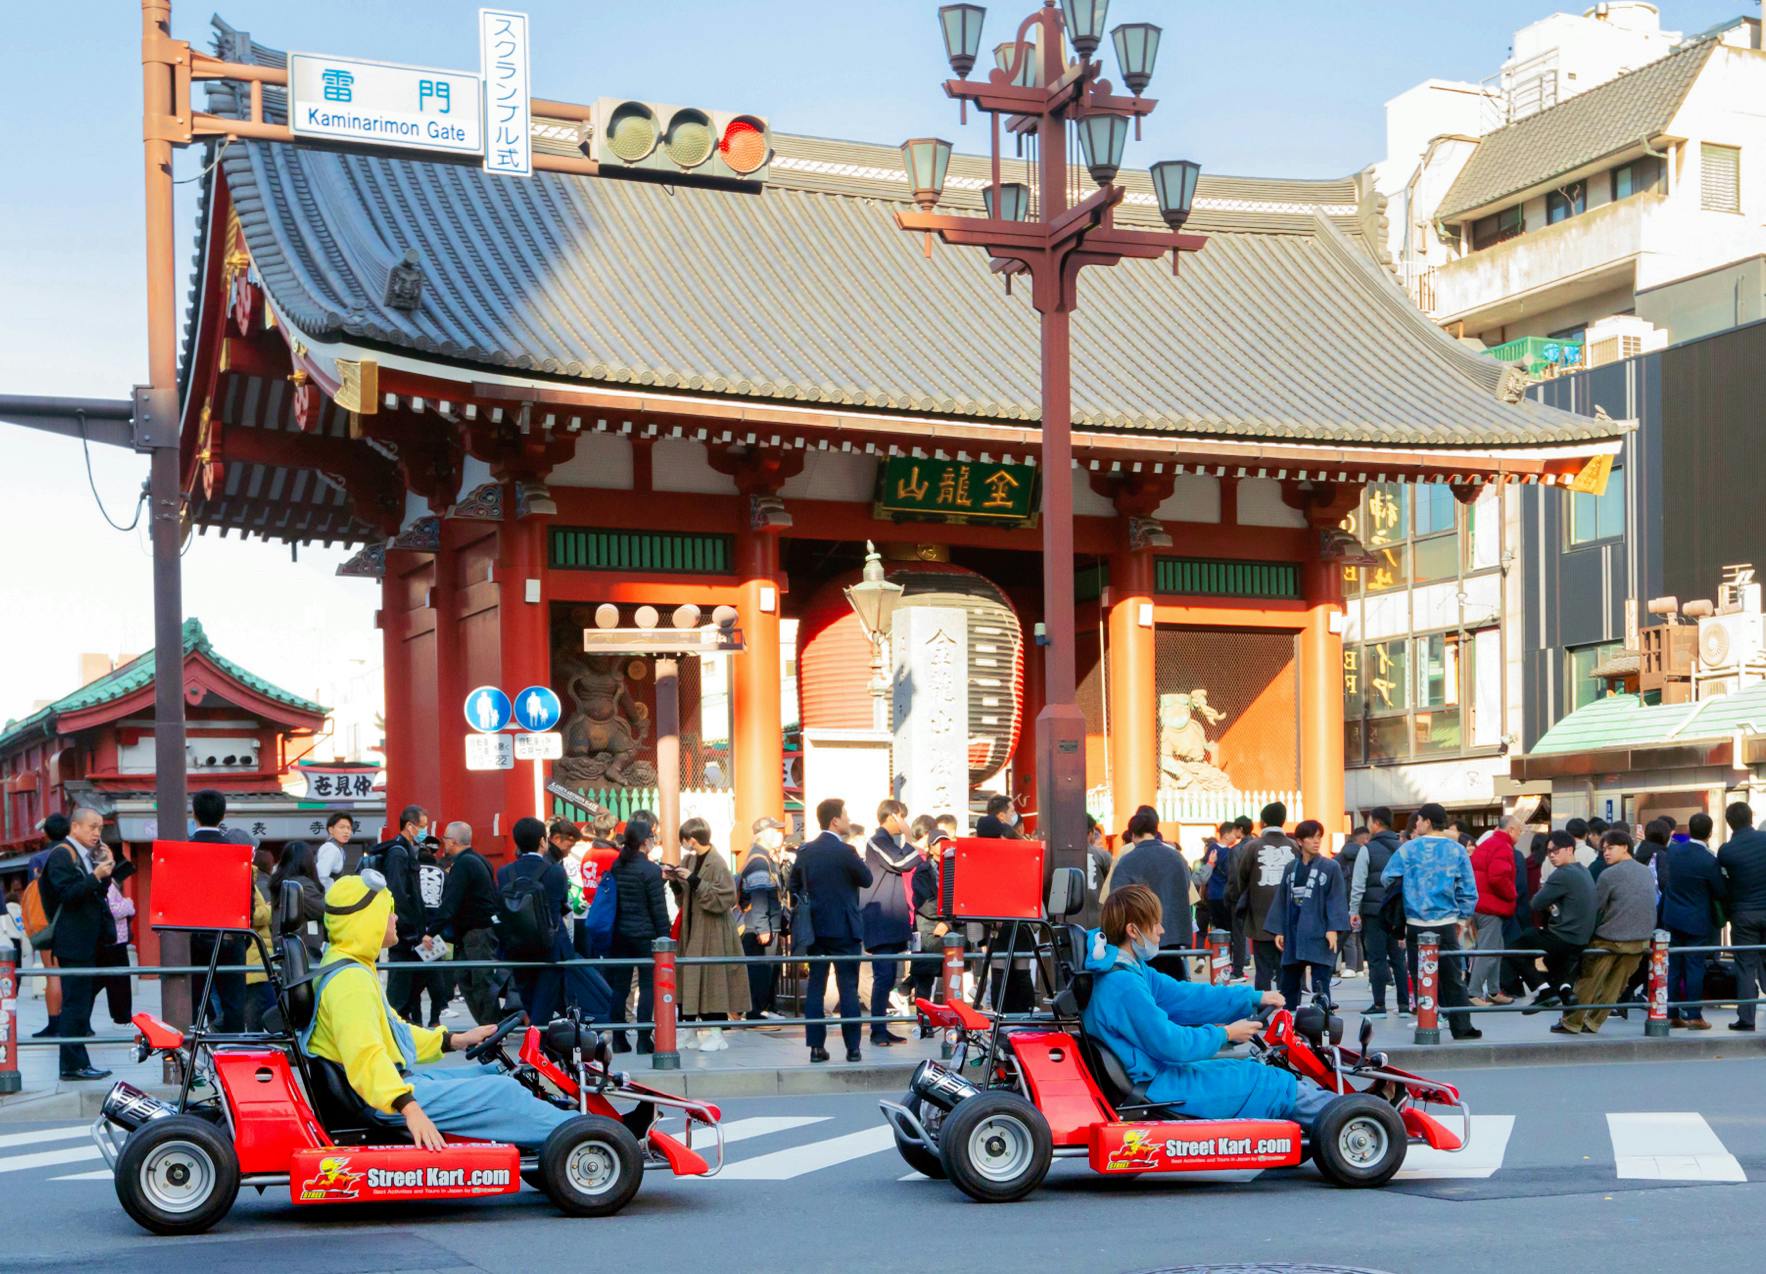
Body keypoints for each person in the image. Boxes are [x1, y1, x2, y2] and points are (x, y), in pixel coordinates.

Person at [299, 873, 570, 1150]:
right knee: (504, 1090)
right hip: (380, 1097)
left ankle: (561, 1136)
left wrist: (454, 1040)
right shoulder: (350, 982)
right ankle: (582, 1133)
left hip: (381, 1087)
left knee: (492, 1073)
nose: (395, 920)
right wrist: (410, 1109)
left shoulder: (349, 965)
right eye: (388, 912)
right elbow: (365, 1056)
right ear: (367, 921)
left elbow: (395, 1032)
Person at [1080, 885, 1336, 1128]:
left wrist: (1252, 998)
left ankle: (1342, 1111)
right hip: (1157, 1083)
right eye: (1155, 922)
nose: (1161, 930)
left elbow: (1185, 996)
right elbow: (1172, 1043)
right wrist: (1226, 1034)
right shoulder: (1123, 984)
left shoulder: (1128, 970)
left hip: (1155, 1073)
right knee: (1270, 1082)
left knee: (1250, 1069)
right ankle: (1350, 1116)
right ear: (1133, 930)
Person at [496, 817, 613, 1031]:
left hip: (517, 948)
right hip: (549, 949)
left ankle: (536, 1049)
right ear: (543, 841)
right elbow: (559, 907)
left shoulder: (505, 873)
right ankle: (535, 1052)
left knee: (529, 1000)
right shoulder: (554, 871)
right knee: (544, 1005)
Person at [42, 808, 133, 1080]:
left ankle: (79, 1063)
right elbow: (66, 895)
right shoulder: (62, 854)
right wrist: (94, 876)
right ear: (75, 827)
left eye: (100, 829)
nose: (97, 833)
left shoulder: (82, 856)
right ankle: (72, 1066)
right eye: (92, 827)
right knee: (75, 1005)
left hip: (88, 942)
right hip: (73, 943)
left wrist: (104, 874)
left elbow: (95, 896)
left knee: (81, 1005)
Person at [1382, 802, 1481, 1040]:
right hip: (1447, 922)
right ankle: (1461, 1027)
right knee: (1453, 978)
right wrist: (1463, 917)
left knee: (1422, 976)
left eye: (1418, 820)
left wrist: (1409, 888)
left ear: (1427, 821)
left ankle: (1428, 1023)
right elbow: (1469, 889)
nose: (1416, 824)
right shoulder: (1456, 850)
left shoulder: (1409, 849)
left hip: (1416, 923)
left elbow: (1387, 877)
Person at [790, 797, 873, 1063]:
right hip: (845, 927)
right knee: (848, 987)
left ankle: (816, 1048)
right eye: (845, 816)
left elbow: (792, 885)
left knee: (816, 986)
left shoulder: (805, 852)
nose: (848, 820)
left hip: (814, 927)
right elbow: (866, 879)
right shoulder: (846, 852)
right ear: (835, 820)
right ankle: (853, 1048)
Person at [1559, 829, 1657, 1035]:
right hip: (1640, 940)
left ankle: (1572, 1022)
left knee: (1589, 980)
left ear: (1625, 847)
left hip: (1610, 939)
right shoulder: (1645, 871)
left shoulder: (1609, 875)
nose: (1606, 853)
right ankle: (1594, 1022)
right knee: (1615, 985)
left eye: (1610, 848)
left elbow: (1597, 908)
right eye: (1603, 849)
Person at [670, 818, 750, 1051]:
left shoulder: (717, 862)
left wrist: (694, 880)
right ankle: (688, 1030)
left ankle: (716, 1033)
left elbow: (725, 898)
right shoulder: (689, 859)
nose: (684, 844)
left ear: (691, 839)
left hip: (714, 930)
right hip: (691, 927)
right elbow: (685, 896)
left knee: (713, 980)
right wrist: (674, 882)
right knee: (688, 980)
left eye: (684, 839)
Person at [860, 800, 922, 1046]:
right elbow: (901, 863)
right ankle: (877, 1031)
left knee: (888, 978)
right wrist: (909, 838)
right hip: (880, 919)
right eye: (902, 817)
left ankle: (882, 1029)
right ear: (893, 816)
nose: (904, 822)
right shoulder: (878, 840)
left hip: (889, 919)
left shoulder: (887, 842)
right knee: (883, 976)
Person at [1106, 806, 1194, 981]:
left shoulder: (1127, 861)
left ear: (1132, 835)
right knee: (1176, 987)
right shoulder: (1176, 857)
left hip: (1140, 939)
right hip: (1173, 937)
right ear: (1156, 831)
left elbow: (1118, 900)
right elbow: (1188, 892)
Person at [605, 817, 670, 1052]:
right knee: (647, 986)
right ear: (644, 842)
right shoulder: (650, 870)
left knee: (620, 987)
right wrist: (665, 938)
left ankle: (619, 1038)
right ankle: (644, 1038)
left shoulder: (617, 866)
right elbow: (658, 910)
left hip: (619, 935)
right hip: (645, 935)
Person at [428, 821, 502, 1025]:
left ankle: (491, 1029)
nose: (443, 842)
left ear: (452, 841)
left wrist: (431, 931)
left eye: (444, 838)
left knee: (479, 981)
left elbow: (450, 902)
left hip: (475, 932)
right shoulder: (480, 860)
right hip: (479, 930)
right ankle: (489, 1027)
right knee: (471, 979)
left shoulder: (463, 864)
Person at [188, 789, 247, 1032]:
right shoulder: (237, 854)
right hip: (230, 935)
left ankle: (186, 1058)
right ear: (223, 815)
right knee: (233, 1002)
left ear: (194, 814)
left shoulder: (183, 851)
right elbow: (247, 901)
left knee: (191, 1000)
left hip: (190, 936)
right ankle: (233, 1052)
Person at [1517, 830, 1596, 1012]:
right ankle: (1565, 991)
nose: (1551, 855)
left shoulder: (1562, 874)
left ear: (1569, 849)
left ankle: (1544, 991)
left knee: (1515, 946)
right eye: (1549, 852)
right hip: (1582, 939)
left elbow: (1536, 903)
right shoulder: (1584, 871)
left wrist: (1549, 897)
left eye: (1556, 851)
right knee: (1554, 961)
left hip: (1564, 937)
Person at [1273, 820, 1347, 1010]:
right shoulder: (1291, 868)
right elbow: (1281, 899)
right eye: (1311, 837)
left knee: (1320, 982)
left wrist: (1333, 928)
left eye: (1318, 837)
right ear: (1299, 841)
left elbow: (1336, 898)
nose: (1316, 841)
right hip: (1294, 929)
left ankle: (1323, 1023)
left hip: (1319, 930)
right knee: (1289, 983)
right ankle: (1288, 1023)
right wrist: (1279, 930)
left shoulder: (1331, 867)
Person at [1227, 802, 1297, 991]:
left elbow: (1241, 879)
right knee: (1287, 966)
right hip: (1288, 917)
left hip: (1260, 917)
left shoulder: (1252, 847)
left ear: (1263, 822)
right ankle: (1287, 1008)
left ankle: (1263, 1013)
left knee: (1263, 969)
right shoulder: (1293, 847)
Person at [1349, 806, 1410, 1019]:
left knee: (1376, 958)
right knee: (1398, 958)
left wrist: (1354, 910)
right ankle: (1404, 1005)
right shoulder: (1403, 848)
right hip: (1398, 912)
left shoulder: (1367, 849)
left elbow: (1359, 883)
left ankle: (1379, 1004)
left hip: (1374, 912)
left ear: (1375, 823)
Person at [1663, 812, 1723, 1030]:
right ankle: (1694, 1015)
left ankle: (1671, 1014)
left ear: (1688, 829)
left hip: (1672, 916)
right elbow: (1719, 889)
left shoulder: (1673, 852)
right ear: (1709, 832)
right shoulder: (1708, 859)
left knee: (1674, 966)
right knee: (1694, 967)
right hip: (1697, 919)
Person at [372, 805, 429, 1024]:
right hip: (404, 934)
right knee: (401, 986)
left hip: (409, 932)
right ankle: (395, 1028)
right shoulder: (398, 852)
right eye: (422, 826)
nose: (423, 831)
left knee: (411, 983)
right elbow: (397, 893)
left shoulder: (405, 850)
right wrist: (407, 927)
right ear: (410, 826)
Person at [1718, 800, 1766, 1032]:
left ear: (1729, 823)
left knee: (1745, 966)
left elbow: (1724, 885)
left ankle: (1746, 1019)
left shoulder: (1727, 851)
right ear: (1751, 817)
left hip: (1744, 914)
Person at [1467, 816, 1520, 1005]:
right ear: (1511, 830)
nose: (1519, 836)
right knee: (1489, 951)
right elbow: (1498, 877)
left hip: (1480, 904)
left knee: (1495, 949)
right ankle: (1473, 993)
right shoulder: (1503, 846)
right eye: (1519, 831)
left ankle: (1494, 990)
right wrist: (1512, 894)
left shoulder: (1489, 843)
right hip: (1490, 906)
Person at [739, 816, 787, 1021]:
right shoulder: (759, 860)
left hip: (766, 923)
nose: (780, 835)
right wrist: (762, 927)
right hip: (759, 926)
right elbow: (759, 896)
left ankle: (764, 1008)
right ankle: (755, 1012)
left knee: (769, 969)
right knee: (761, 970)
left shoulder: (765, 858)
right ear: (764, 834)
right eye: (775, 831)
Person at [906, 815, 948, 1009]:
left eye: (946, 842)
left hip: (948, 929)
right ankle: (924, 1020)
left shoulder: (955, 869)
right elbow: (924, 904)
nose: (942, 846)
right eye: (938, 843)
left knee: (952, 977)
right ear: (931, 847)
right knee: (924, 978)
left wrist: (947, 923)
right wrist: (944, 915)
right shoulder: (922, 870)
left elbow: (962, 901)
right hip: (925, 930)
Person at [241, 833, 279, 1031]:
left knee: (256, 1008)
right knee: (264, 1008)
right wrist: (270, 909)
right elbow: (254, 915)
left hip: (255, 955)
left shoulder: (252, 877)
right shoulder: (246, 878)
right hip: (255, 955)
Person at [271, 840, 328, 958]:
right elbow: (323, 910)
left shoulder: (280, 884)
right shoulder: (302, 885)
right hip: (305, 952)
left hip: (286, 949)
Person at [1195, 822, 1238, 969]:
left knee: (1217, 929)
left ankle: (1218, 960)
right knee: (1229, 931)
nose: (1235, 836)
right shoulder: (1229, 852)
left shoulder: (1213, 849)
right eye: (1233, 833)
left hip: (1213, 895)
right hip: (1225, 896)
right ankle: (1226, 960)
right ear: (1226, 835)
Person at [1336, 827, 1369, 977]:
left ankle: (1350, 967)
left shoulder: (1339, 858)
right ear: (1364, 840)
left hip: (1343, 899)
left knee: (1347, 934)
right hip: (1362, 900)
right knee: (1356, 935)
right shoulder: (1367, 855)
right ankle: (1359, 967)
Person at [315, 812, 354, 890]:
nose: (346, 831)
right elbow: (321, 877)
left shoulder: (338, 849)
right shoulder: (331, 848)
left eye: (349, 828)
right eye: (342, 827)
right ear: (331, 830)